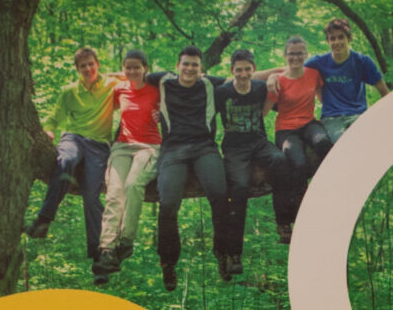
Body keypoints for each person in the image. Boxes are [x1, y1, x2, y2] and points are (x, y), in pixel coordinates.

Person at [308, 17, 393, 194]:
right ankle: (347, 190)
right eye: (332, 38)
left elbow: (384, 91)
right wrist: (271, 78)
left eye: (340, 37)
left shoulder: (362, 61)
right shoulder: (318, 62)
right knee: (344, 146)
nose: (336, 42)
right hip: (332, 120)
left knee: (392, 133)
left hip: (359, 116)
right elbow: (292, 71)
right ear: (328, 41)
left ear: (349, 38)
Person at [30, 45, 116, 259]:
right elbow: (53, 118)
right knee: (66, 161)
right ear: (77, 69)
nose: (88, 69)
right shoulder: (69, 92)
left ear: (98, 64)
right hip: (74, 138)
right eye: (83, 66)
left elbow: (136, 74)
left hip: (98, 145)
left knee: (91, 196)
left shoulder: (111, 85)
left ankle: (98, 252)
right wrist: (49, 131)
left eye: (91, 64)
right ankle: (44, 220)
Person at [150, 48, 225, 292]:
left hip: (204, 147)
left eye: (195, 65)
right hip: (173, 149)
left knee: (220, 195)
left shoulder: (209, 84)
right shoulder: (164, 81)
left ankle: (223, 253)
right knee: (168, 203)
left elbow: (243, 77)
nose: (190, 69)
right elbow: (132, 74)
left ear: (201, 68)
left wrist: (279, 73)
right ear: (178, 65)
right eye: (186, 64)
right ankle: (168, 263)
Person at [212, 46, 284, 271]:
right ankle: (235, 254)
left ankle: (284, 223)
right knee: (239, 189)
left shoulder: (261, 88)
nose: (243, 74)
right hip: (235, 149)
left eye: (247, 69)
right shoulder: (222, 92)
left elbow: (288, 77)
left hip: (259, 142)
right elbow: (206, 116)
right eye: (238, 70)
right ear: (232, 70)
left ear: (254, 69)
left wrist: (272, 77)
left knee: (281, 161)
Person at [95, 49, 163, 278]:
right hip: (122, 146)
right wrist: (119, 75)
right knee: (114, 191)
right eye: (128, 67)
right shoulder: (120, 89)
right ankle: (107, 248)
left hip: (149, 147)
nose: (132, 71)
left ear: (146, 68)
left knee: (133, 185)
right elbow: (101, 81)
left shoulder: (157, 90)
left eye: (137, 67)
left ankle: (126, 241)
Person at [268, 36, 326, 241]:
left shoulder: (313, 74)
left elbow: (324, 99)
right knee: (298, 163)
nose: (295, 57)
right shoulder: (279, 80)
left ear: (306, 54)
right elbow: (265, 110)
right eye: (291, 53)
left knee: (324, 144)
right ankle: (300, 217)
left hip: (309, 124)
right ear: (285, 56)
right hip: (286, 131)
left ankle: (324, 196)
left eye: (300, 53)